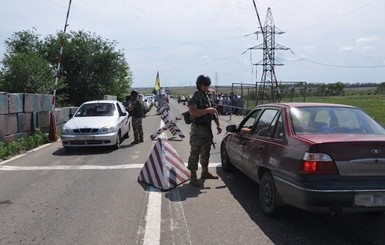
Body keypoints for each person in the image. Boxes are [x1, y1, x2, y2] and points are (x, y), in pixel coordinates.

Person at [187, 74, 222, 187]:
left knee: (206, 153)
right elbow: (193, 112)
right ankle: (193, 176)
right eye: (205, 85)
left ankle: (205, 172)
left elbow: (213, 113)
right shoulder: (193, 98)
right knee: (195, 153)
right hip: (197, 131)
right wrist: (207, 110)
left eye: (208, 85)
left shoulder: (208, 97)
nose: (207, 87)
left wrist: (218, 125)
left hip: (207, 131)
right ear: (199, 85)